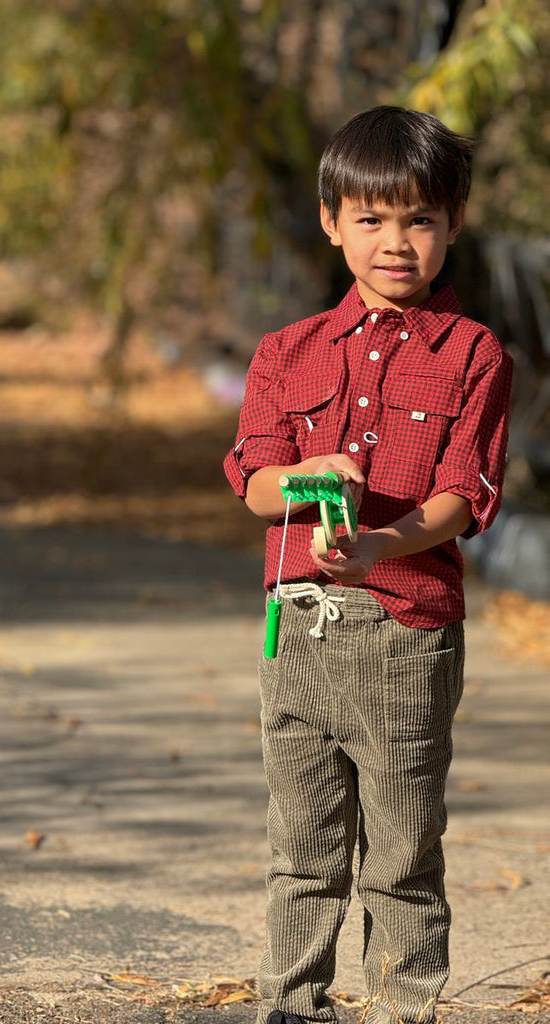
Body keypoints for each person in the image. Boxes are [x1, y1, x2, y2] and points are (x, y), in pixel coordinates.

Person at [223, 105, 512, 1024]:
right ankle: (290, 1004)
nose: (397, 243)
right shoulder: (286, 352)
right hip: (296, 632)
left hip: (406, 637)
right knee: (301, 851)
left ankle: (402, 1007)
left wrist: (381, 545)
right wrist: (306, 478)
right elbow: (258, 487)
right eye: (373, 219)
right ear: (330, 220)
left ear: (454, 224)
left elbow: (465, 496)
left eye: (421, 219)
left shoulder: (474, 355)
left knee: (400, 856)